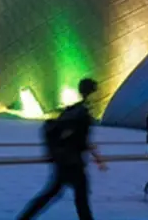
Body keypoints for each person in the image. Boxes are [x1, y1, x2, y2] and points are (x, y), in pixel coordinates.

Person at [18, 77, 106, 220]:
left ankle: (24, 217)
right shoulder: (81, 113)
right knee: (79, 199)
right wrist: (96, 157)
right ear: (91, 92)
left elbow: (74, 137)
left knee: (56, 194)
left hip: (65, 160)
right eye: (96, 92)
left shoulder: (73, 110)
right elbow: (78, 138)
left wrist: (96, 157)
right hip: (72, 162)